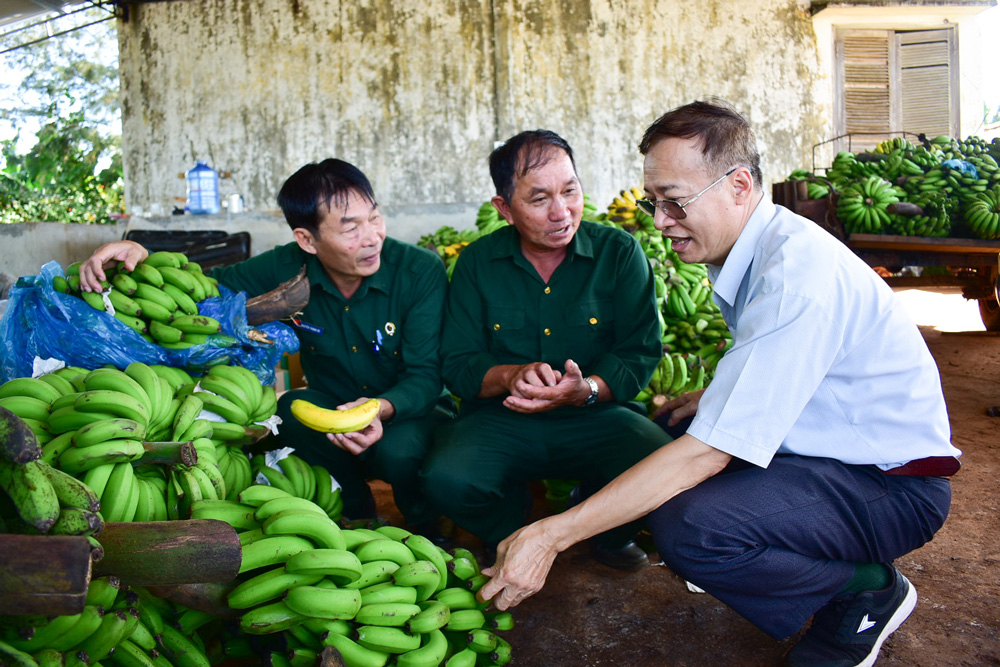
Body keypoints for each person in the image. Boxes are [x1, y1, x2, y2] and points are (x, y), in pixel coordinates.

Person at [478, 101, 961, 667]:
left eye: (674, 202)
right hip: (826, 455)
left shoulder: (794, 279)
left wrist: (551, 535)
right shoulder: (750, 248)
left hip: (890, 487)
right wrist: (714, 399)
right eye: (654, 202)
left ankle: (865, 590)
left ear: (738, 185)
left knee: (692, 527)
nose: (659, 220)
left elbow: (706, 454)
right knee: (669, 431)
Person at [79, 158, 453, 540]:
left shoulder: (418, 270)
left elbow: (425, 375)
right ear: (308, 239)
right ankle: (357, 512)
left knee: (400, 450)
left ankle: (427, 527)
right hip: (332, 400)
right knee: (287, 412)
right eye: (351, 228)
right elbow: (203, 286)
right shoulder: (287, 266)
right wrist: (140, 254)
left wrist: (380, 409)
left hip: (408, 407)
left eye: (374, 218)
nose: (372, 236)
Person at [419, 129, 672, 570]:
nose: (561, 212)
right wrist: (510, 375)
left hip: (596, 415)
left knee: (661, 465)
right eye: (539, 200)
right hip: (502, 419)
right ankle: (509, 528)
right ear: (505, 209)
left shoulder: (618, 252)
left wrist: (587, 389)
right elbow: (457, 364)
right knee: (445, 477)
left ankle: (607, 531)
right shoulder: (477, 263)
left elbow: (639, 353)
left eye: (570, 191)